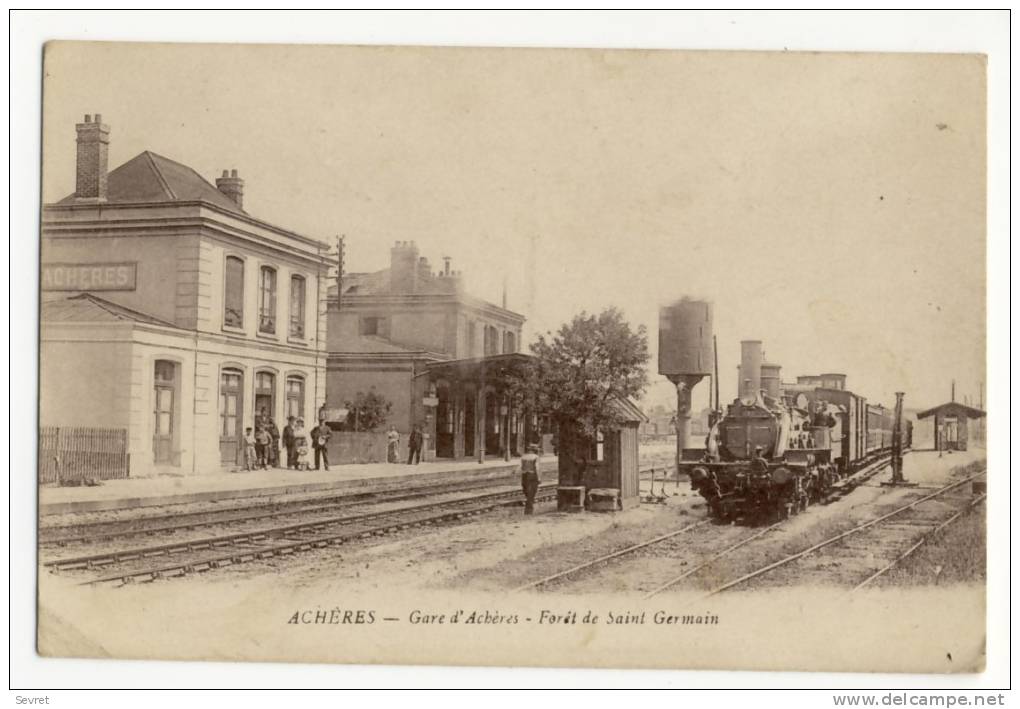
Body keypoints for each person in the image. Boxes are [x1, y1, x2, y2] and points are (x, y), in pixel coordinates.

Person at [520, 443, 541, 515]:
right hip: (532, 475)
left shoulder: (523, 456)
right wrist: (539, 478)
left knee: (526, 491)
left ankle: (528, 508)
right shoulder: (536, 457)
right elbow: (537, 468)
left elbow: (520, 466)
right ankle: (529, 510)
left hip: (524, 475)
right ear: (535, 450)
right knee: (532, 492)